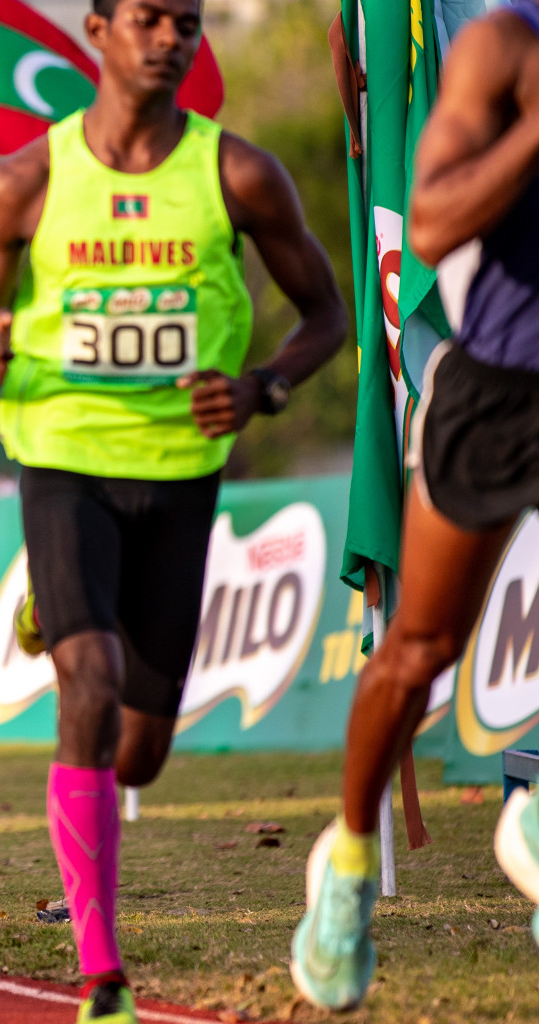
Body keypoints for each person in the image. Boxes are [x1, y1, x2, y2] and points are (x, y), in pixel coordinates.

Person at [0, 0, 347, 1018]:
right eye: (148, 18)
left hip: (180, 467)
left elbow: (327, 314)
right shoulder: (21, 184)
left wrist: (263, 386)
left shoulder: (239, 174)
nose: (171, 38)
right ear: (96, 28)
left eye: (190, 21)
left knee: (143, 747)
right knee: (89, 680)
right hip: (63, 453)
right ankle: (100, 967)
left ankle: (57, 609)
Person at [291, 4, 539, 1009]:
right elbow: (432, 221)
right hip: (505, 385)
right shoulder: (504, 45)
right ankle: (347, 866)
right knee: (420, 650)